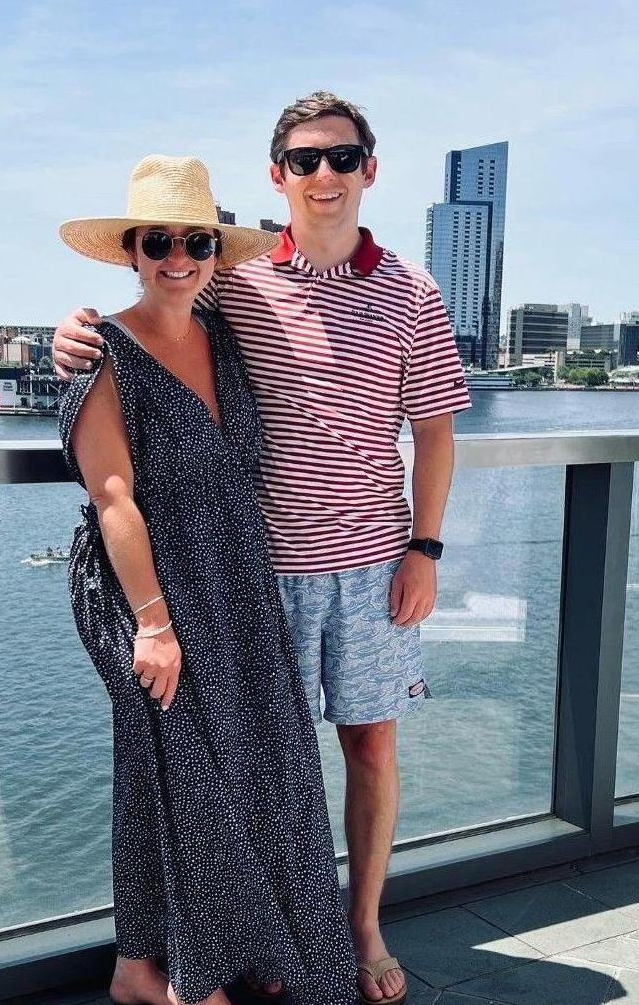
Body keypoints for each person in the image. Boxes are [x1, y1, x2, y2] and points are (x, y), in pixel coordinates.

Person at [53, 93, 471, 1005]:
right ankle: (253, 948)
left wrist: (424, 549)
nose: (325, 175)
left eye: (342, 157)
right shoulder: (234, 285)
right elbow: (137, 342)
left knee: (366, 749)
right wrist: (70, 336)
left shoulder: (413, 289)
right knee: (247, 768)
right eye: (305, 160)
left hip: (369, 562)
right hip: (250, 572)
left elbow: (434, 433)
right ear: (276, 176)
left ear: (369, 168)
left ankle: (356, 930)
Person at [57, 154, 357, 1005]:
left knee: (272, 766)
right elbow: (113, 496)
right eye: (160, 242)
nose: (178, 257)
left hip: (235, 580)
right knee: (179, 770)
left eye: (195, 241)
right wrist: (153, 624)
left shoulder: (222, 333)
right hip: (143, 591)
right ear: (132, 251)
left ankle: (208, 958)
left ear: (215, 253)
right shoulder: (100, 353)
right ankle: (165, 971)